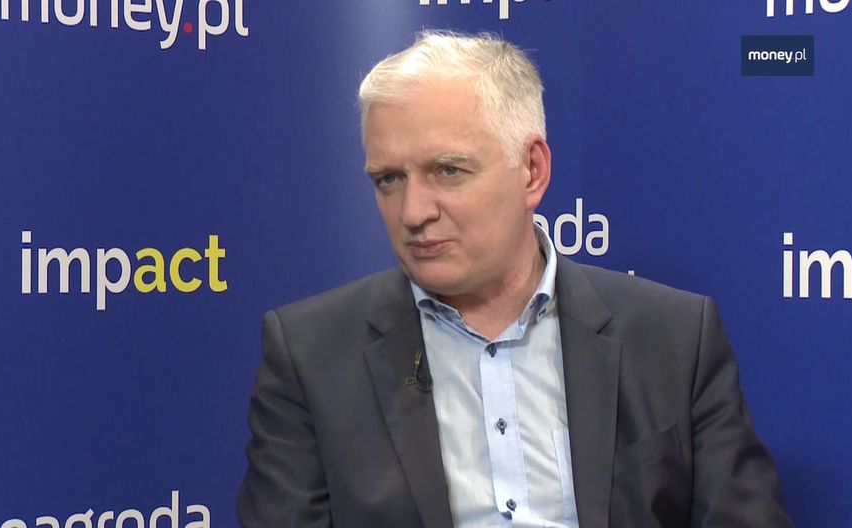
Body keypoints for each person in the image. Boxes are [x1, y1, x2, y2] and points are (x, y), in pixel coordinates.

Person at [238, 31, 792, 528]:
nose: (412, 212)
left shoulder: (674, 338)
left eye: (447, 171)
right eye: (388, 179)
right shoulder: (310, 356)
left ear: (532, 171)